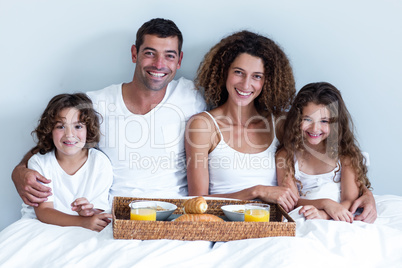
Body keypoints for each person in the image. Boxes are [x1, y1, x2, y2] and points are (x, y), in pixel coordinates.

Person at [11, 18, 206, 208]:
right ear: (134, 53)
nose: (159, 64)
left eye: (169, 55)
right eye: (150, 53)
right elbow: (53, 142)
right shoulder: (96, 103)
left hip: (175, 213)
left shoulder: (192, 96)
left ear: (179, 60)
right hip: (115, 214)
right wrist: (19, 171)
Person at [185, 30, 298, 212]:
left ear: (267, 81)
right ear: (224, 72)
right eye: (239, 72)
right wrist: (256, 191)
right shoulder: (203, 126)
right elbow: (197, 201)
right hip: (224, 224)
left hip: (271, 224)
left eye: (257, 76)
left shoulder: (280, 124)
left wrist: (361, 191)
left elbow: (326, 163)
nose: (246, 85)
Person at [276, 82, 374, 222]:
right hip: (305, 214)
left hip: (341, 214)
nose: (315, 129)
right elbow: (292, 201)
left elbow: (349, 200)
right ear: (297, 120)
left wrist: (325, 214)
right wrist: (324, 204)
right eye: (308, 119)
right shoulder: (286, 155)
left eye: (324, 121)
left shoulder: (345, 153)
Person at [22, 93, 113, 231]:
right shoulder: (39, 163)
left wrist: (88, 212)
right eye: (60, 126)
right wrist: (82, 221)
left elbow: (98, 214)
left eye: (78, 126)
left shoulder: (100, 162)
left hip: (83, 229)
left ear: (88, 130)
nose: (69, 134)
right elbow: (44, 212)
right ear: (49, 130)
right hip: (41, 227)